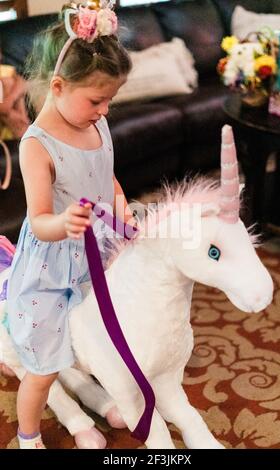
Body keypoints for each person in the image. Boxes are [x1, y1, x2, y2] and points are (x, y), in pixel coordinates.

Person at [5, 1, 133, 449]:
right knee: (43, 367)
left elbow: (107, 174)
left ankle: (93, 393)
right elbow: (38, 222)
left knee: (96, 340)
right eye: (97, 100)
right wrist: (64, 220)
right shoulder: (37, 145)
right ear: (58, 86)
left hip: (99, 253)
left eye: (110, 100)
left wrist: (120, 204)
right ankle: (28, 435)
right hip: (52, 266)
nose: (104, 109)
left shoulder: (97, 123)